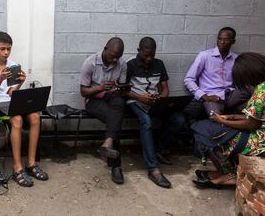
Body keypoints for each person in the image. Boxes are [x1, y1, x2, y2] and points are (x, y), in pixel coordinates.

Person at [0, 32, 48, 187]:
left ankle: (31, 164)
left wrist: (20, 84)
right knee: (17, 119)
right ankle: (17, 168)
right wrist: (0, 79)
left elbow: (11, 92)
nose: (6, 53)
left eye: (9, 49)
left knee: (35, 117)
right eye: (2, 49)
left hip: (11, 101)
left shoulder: (13, 65)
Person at [192, 52, 265, 189]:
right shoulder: (262, 86)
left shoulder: (261, 91)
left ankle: (227, 175)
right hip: (259, 132)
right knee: (208, 128)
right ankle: (224, 172)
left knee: (206, 135)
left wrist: (222, 121)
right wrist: (230, 117)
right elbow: (257, 118)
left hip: (259, 140)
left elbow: (252, 124)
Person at [124, 37, 186, 188]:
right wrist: (140, 97)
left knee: (178, 119)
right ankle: (153, 168)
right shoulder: (130, 65)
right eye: (146, 55)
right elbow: (123, 90)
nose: (149, 58)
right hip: (135, 102)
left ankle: (157, 150)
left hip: (154, 102)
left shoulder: (159, 64)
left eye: (152, 54)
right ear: (138, 51)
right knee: (146, 121)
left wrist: (161, 99)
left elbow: (164, 87)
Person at [80, 37, 127, 184]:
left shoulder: (122, 64)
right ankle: (116, 166)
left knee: (118, 104)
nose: (114, 60)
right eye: (112, 55)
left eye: (117, 57)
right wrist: (100, 88)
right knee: (115, 119)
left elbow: (123, 89)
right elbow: (83, 92)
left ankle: (107, 144)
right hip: (93, 100)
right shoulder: (90, 63)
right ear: (105, 48)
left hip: (112, 97)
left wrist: (118, 88)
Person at [184, 27, 251, 118]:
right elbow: (189, 79)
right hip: (211, 97)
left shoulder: (236, 59)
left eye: (226, 40)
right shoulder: (205, 56)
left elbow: (241, 81)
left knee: (250, 87)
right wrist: (204, 96)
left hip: (230, 95)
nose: (222, 42)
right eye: (220, 39)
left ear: (233, 41)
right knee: (215, 118)